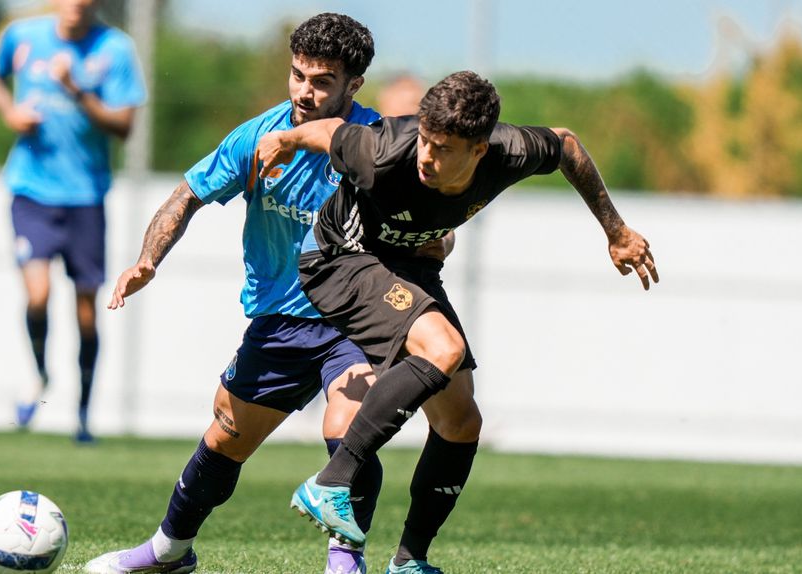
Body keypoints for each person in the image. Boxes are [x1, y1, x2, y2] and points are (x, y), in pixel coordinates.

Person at [253, 71, 659, 573]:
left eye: (443, 148)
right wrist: (284, 139)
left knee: (462, 421)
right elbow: (329, 131)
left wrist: (616, 231)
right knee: (442, 349)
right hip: (339, 258)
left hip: (410, 266)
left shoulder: (511, 151)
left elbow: (568, 146)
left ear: (479, 150)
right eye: (425, 139)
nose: (426, 156)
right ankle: (331, 482)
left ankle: (409, 561)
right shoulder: (383, 150)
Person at [83, 13, 418, 574]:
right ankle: (168, 551)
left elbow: (428, 222)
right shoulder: (257, 138)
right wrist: (147, 260)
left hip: (355, 319)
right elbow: (187, 195)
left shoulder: (379, 144)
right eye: (298, 75)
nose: (305, 92)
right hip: (279, 319)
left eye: (322, 82)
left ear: (354, 84)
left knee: (347, 429)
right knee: (225, 440)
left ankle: (345, 561)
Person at [0, 0, 146, 443]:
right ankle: (40, 375)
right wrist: (10, 112)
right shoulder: (22, 35)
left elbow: (124, 125)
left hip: (85, 196)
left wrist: (76, 90)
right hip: (31, 190)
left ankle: (83, 415)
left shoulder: (115, 49)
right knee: (38, 295)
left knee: (87, 313)